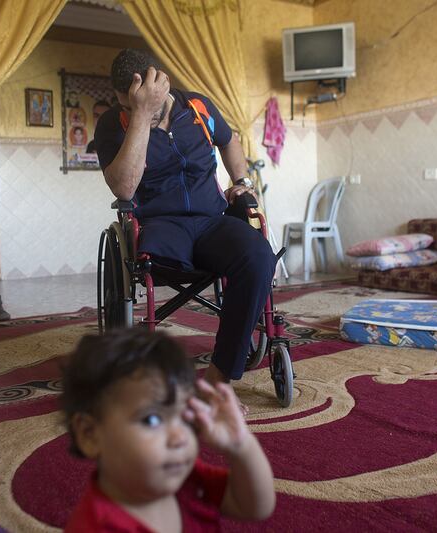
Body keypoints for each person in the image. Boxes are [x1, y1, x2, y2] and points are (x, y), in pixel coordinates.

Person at [94, 49, 278, 401]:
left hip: (212, 221)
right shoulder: (112, 124)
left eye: (137, 102)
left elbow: (229, 140)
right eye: (125, 104)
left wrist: (242, 180)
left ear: (161, 83)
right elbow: (123, 188)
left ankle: (217, 381)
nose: (128, 109)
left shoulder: (199, 107)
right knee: (160, 265)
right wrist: (141, 116)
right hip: (160, 226)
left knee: (258, 257)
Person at [61, 329, 275, 531]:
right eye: (152, 419)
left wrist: (242, 446)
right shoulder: (96, 527)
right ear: (90, 435)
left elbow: (254, 507)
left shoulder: (189, 479)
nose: (180, 437)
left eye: (185, 417)